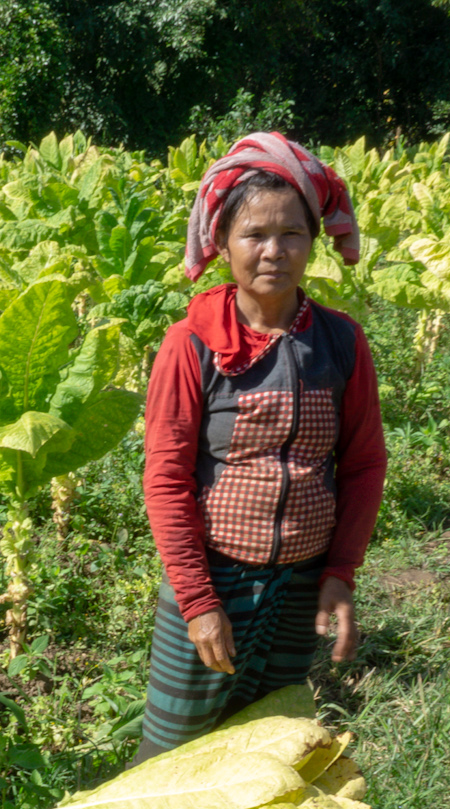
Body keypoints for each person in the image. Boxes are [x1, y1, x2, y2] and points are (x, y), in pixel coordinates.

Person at [133, 133, 389, 763]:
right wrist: (198, 603)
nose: (273, 251)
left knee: (267, 750)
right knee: (173, 754)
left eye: (292, 233)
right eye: (254, 235)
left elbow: (362, 464)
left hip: (301, 583)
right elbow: (166, 479)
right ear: (222, 241)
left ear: (313, 240)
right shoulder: (190, 344)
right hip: (215, 578)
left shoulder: (341, 341)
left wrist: (338, 575)